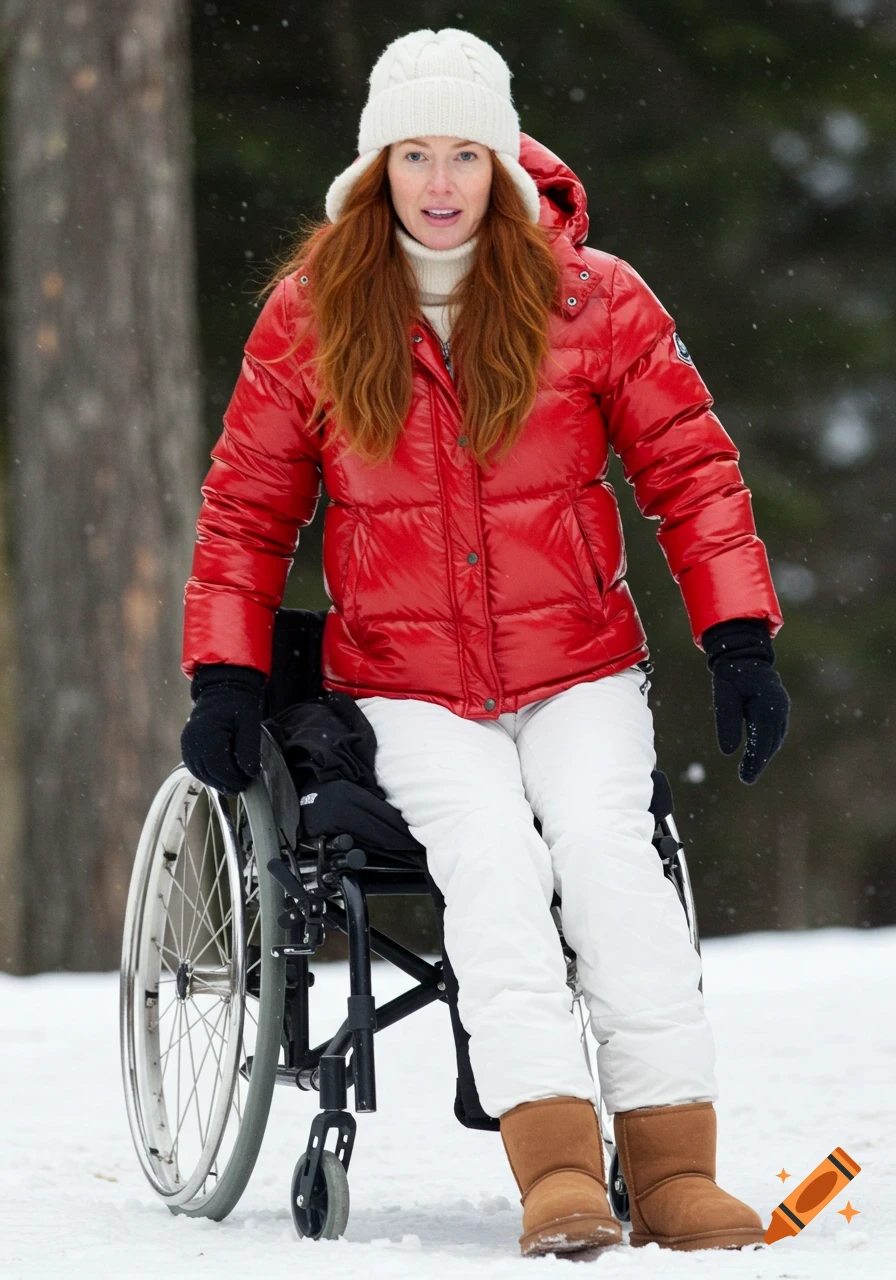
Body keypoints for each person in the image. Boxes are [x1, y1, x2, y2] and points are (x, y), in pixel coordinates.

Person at [180, 27, 790, 1259]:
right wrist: (225, 672)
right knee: (495, 872)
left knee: (608, 857)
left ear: (504, 161)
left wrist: (736, 638)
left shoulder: (594, 299)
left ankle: (671, 1167)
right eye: (417, 155)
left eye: (466, 152)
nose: (443, 181)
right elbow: (247, 509)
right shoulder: (310, 317)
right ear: (377, 169)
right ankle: (558, 1165)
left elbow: (691, 472)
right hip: (406, 689)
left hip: (577, 670)